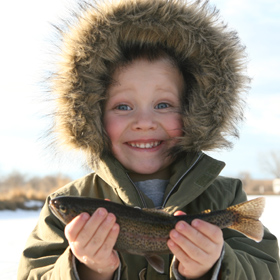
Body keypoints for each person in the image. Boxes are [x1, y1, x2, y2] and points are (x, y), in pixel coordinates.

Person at [18, 0, 280, 279]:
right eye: (123, 107)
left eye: (164, 105)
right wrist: (86, 270)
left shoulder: (226, 197)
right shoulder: (62, 205)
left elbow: (267, 270)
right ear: (93, 116)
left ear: (194, 111)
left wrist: (213, 268)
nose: (144, 123)